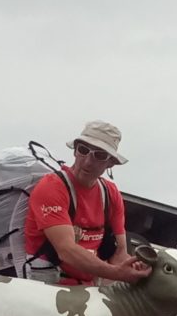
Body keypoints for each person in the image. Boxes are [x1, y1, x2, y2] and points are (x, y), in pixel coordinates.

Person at [23, 121, 151, 286]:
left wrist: (136, 269)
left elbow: (119, 253)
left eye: (100, 155)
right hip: (44, 288)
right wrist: (117, 273)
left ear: (111, 162)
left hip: (86, 291)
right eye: (83, 150)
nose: (88, 161)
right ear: (75, 150)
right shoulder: (52, 187)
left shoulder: (111, 194)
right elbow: (66, 251)